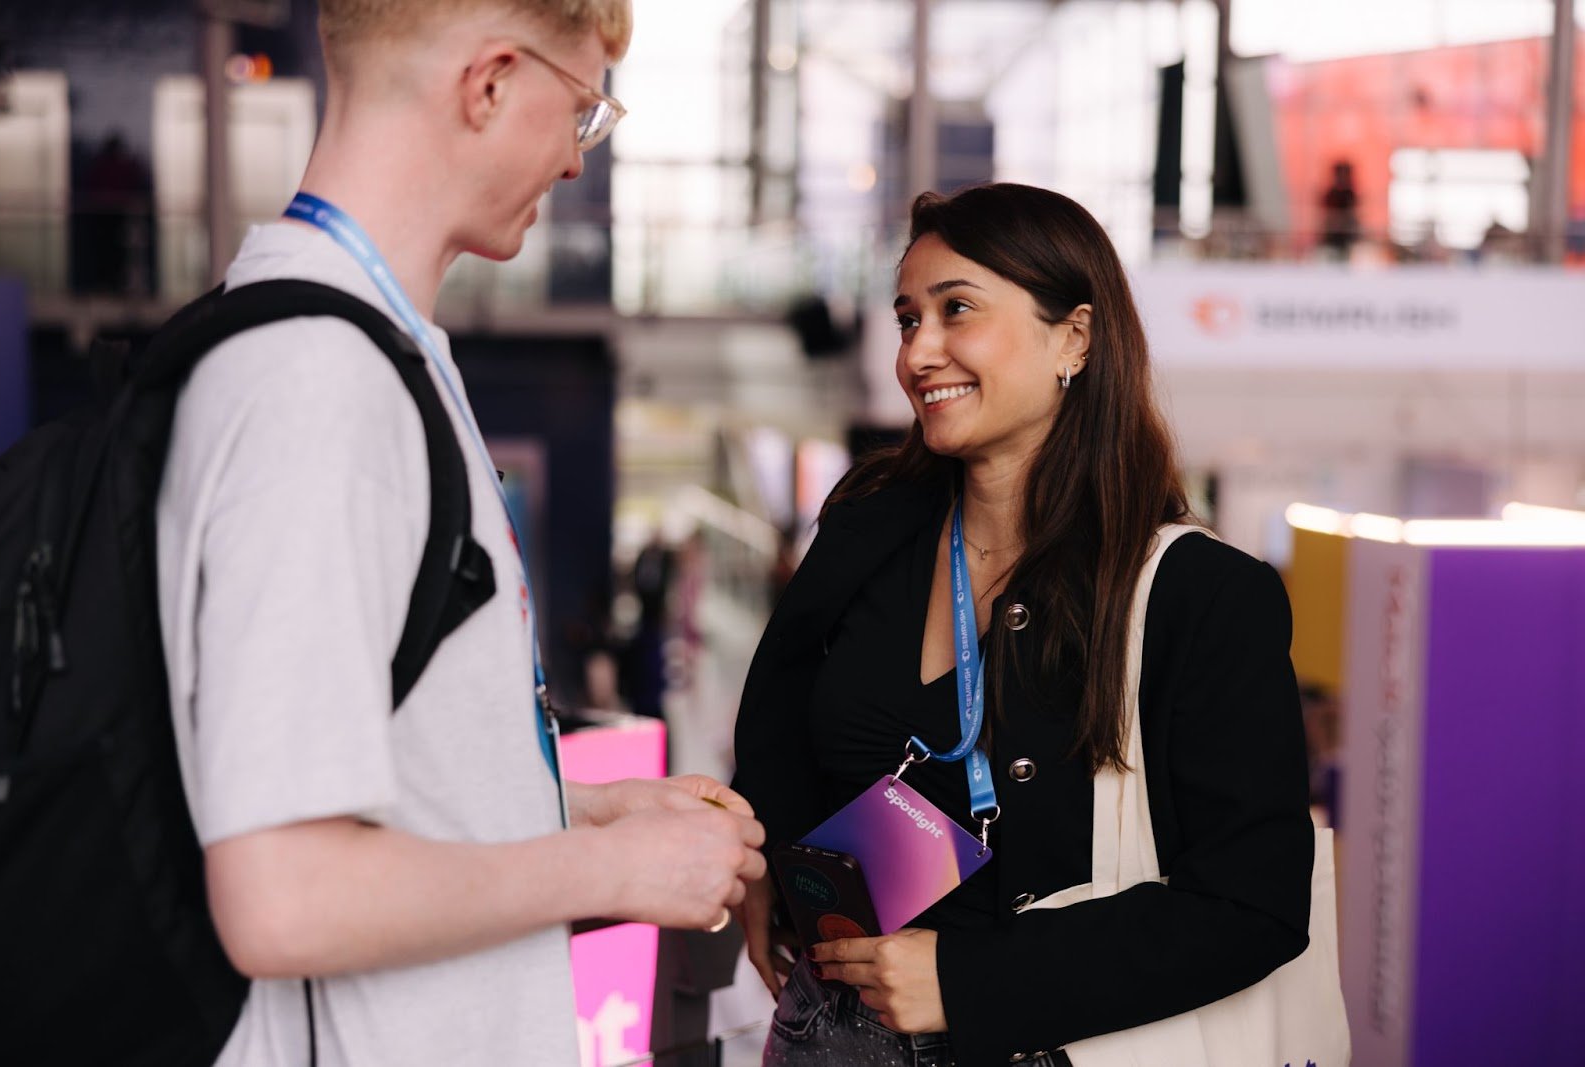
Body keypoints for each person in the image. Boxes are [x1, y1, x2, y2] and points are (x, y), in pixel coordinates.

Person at [154, 2, 765, 1064]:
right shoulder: (317, 381)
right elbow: (283, 893)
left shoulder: (360, 348)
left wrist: (582, 810)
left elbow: (370, 783)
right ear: (488, 83)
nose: (576, 166)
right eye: (580, 112)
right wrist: (619, 872)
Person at [731, 183, 1312, 1066]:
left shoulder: (1201, 594)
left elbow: (1253, 902)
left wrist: (970, 979)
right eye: (905, 319)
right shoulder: (870, 525)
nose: (919, 352)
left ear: (1073, 337)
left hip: (1049, 1045)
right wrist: (775, 854)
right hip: (829, 1030)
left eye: (955, 309)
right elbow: (779, 713)